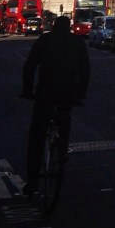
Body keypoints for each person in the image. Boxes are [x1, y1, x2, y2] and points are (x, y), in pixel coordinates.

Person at [20, 13, 90, 197]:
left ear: (53, 26)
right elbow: (85, 71)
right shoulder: (77, 42)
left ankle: (32, 182)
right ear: (68, 27)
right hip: (68, 92)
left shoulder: (45, 40)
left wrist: (27, 91)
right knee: (64, 118)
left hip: (46, 91)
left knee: (37, 135)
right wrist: (80, 94)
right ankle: (63, 150)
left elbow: (30, 66)